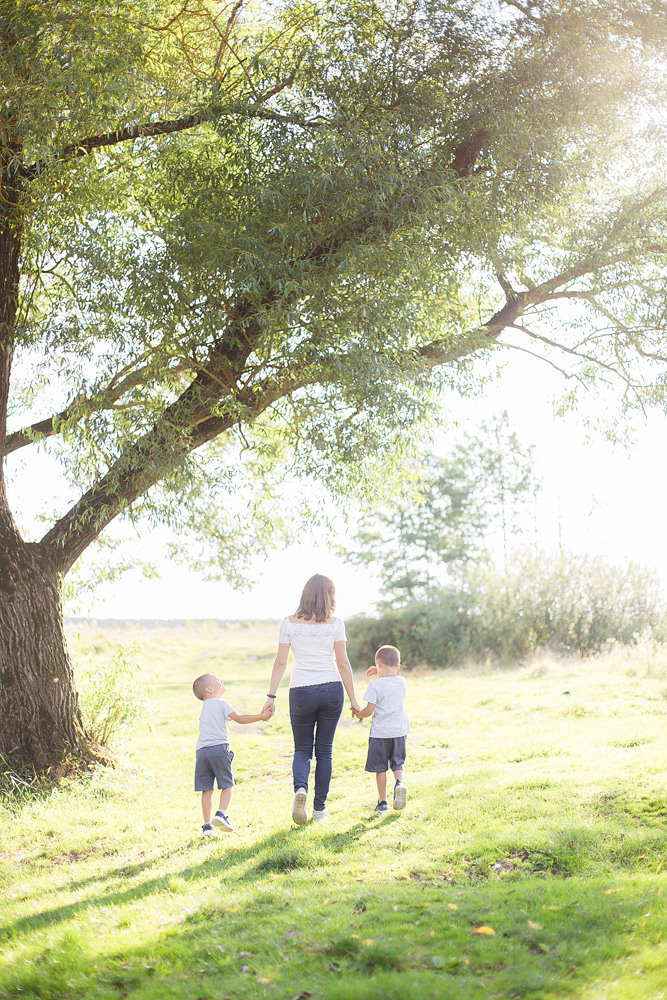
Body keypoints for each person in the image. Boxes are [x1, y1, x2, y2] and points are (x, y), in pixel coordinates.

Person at [262, 574, 360, 824]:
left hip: (301, 691)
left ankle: (300, 789)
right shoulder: (336, 624)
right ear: (330, 596)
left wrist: (271, 696)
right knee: (324, 751)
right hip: (331, 689)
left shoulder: (289, 623)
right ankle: (319, 810)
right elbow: (343, 663)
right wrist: (354, 699)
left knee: (302, 749)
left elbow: (281, 662)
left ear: (305, 594)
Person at [193, 672, 272, 836]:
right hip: (219, 748)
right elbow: (240, 719)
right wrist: (261, 716)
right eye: (217, 680)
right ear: (209, 689)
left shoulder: (204, 707)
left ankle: (207, 826)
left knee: (206, 789)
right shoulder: (222, 704)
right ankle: (221, 813)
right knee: (228, 785)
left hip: (201, 751)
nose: (222, 681)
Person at [353, 644, 409, 815]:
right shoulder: (402, 681)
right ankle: (399, 784)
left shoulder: (375, 686)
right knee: (397, 763)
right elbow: (390, 672)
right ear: (398, 667)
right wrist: (380, 668)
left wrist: (358, 714)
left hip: (380, 734)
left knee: (380, 768)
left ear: (378, 665)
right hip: (399, 731)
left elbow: (369, 711)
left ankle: (383, 802)